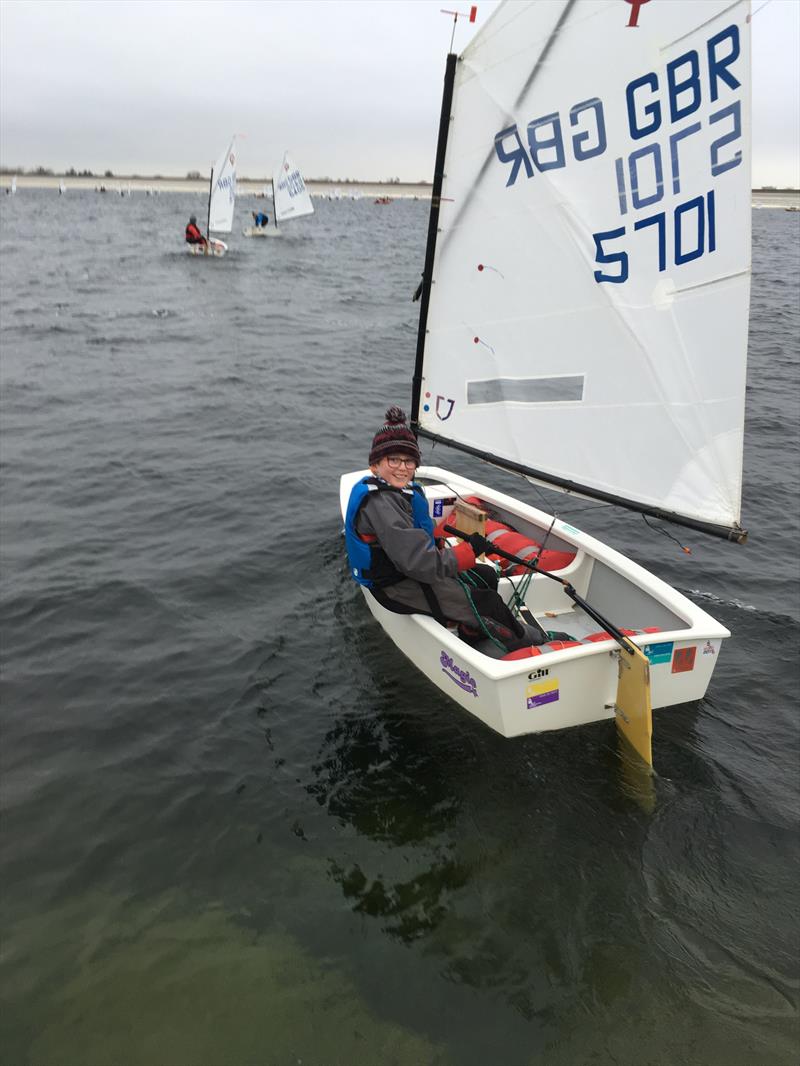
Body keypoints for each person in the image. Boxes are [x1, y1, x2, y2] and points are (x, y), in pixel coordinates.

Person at [344, 407, 546, 655]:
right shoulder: (381, 503)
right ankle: (529, 646)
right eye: (393, 460)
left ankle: (471, 631)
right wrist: (468, 551)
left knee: (486, 575)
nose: (402, 468)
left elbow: (419, 539)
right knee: (489, 604)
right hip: (396, 585)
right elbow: (419, 563)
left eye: (408, 461)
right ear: (375, 465)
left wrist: (447, 548)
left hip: (412, 571)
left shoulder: (399, 492)